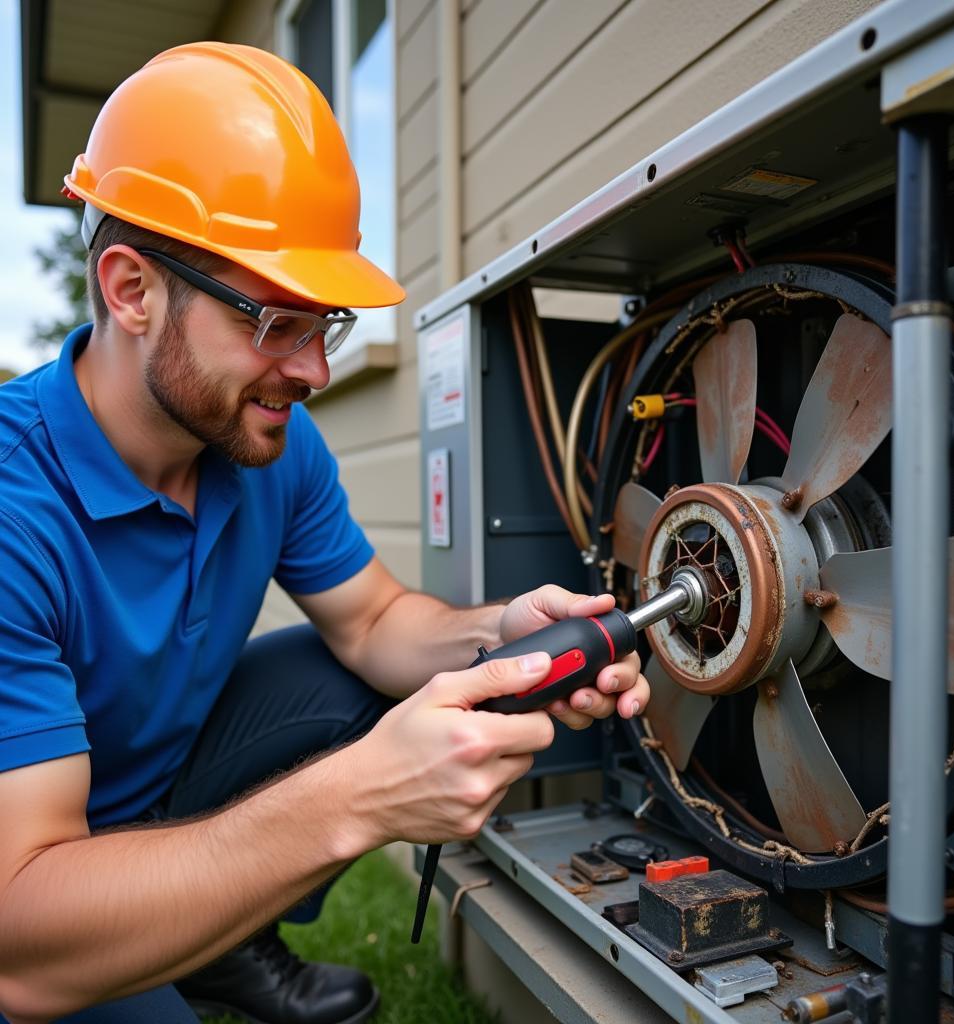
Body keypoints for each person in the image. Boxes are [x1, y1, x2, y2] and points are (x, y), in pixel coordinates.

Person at [0, 42, 649, 1024]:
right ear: (130, 289)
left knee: (343, 669)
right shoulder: (14, 507)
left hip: (142, 808)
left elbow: (376, 620)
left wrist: (502, 636)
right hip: (37, 884)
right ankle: (198, 929)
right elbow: (21, 942)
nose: (312, 373)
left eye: (327, 323)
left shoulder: (269, 442)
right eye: (275, 322)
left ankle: (217, 933)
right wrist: (356, 799)